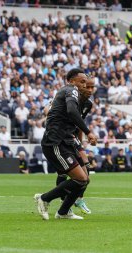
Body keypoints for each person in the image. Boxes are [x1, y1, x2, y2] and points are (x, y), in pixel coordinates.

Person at [34, 68, 98, 220]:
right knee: (77, 178)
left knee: (84, 179)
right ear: (72, 81)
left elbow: (76, 119)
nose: (85, 86)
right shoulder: (71, 91)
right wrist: (89, 132)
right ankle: (44, 198)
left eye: (88, 84)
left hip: (69, 140)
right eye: (83, 82)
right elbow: (70, 111)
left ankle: (63, 212)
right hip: (56, 140)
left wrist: (81, 141)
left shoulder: (86, 103)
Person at [53, 75, 95, 215]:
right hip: (59, 136)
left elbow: (79, 122)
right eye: (86, 85)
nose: (89, 89)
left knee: (86, 168)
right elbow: (48, 110)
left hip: (72, 137)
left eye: (91, 87)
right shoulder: (68, 95)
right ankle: (63, 201)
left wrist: (81, 143)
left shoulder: (88, 104)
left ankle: (78, 199)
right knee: (63, 173)